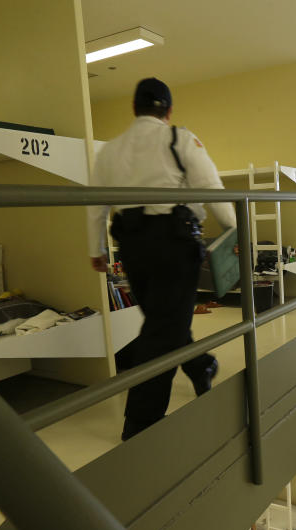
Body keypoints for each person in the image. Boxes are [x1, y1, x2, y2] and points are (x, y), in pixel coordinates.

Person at [87, 77, 236, 441]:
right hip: (174, 246)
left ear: (134, 108)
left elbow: (95, 206)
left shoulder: (109, 151)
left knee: (163, 322)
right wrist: (234, 229)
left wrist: (97, 250)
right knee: (162, 330)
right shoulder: (178, 139)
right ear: (168, 111)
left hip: (132, 249)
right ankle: (141, 424)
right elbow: (210, 185)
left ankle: (201, 366)